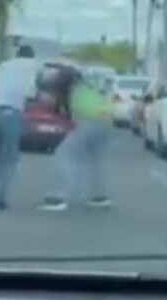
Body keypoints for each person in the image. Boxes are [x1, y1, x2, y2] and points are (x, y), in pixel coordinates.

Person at [38, 66, 113, 211]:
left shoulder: (73, 91)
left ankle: (58, 197)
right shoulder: (87, 88)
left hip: (92, 122)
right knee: (93, 160)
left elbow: (62, 110)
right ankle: (100, 196)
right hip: (105, 123)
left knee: (64, 155)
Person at [0, 45, 39, 210]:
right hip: (9, 113)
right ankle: (0, 197)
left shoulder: (3, 65)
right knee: (10, 158)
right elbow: (31, 93)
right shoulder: (32, 67)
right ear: (32, 56)